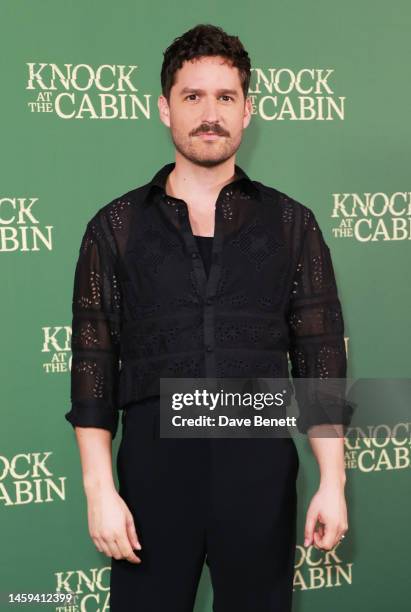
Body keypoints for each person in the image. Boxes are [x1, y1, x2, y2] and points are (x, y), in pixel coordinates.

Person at [65, 23, 350, 612]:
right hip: (151, 471)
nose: (210, 114)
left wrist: (333, 482)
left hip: (258, 465)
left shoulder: (292, 224)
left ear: (248, 111)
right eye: (193, 97)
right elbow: (94, 369)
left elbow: (320, 360)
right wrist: (100, 490)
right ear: (164, 108)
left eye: (225, 98)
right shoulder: (114, 227)